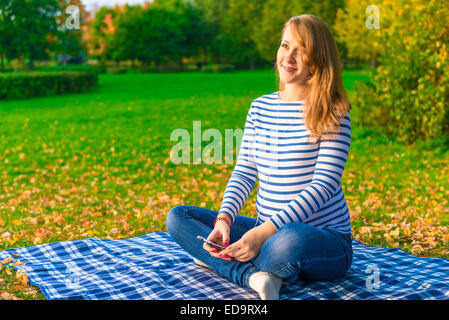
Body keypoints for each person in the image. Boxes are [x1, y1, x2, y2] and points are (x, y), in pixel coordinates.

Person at [166, 14, 353, 300]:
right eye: (285, 45)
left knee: (287, 243)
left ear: (318, 59)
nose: (288, 56)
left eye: (301, 50)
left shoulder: (334, 111)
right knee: (179, 217)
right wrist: (225, 220)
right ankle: (256, 276)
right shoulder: (260, 107)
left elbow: (323, 186)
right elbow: (245, 171)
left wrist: (262, 234)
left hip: (321, 238)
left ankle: (225, 262)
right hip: (264, 229)